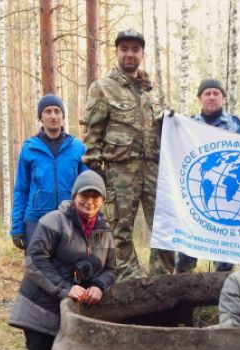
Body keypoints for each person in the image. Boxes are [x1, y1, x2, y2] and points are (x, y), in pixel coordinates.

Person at [9, 170, 116, 350]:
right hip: (40, 304)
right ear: (75, 196)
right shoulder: (54, 221)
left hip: (72, 309)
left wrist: (99, 286)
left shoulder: (104, 230)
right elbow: (35, 260)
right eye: (84, 196)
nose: (89, 202)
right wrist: (66, 288)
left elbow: (111, 268)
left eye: (95, 197)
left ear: (102, 200)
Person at [80, 29, 173, 281]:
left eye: (135, 49)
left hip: (154, 170)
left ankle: (161, 280)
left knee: (165, 227)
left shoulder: (152, 92)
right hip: (119, 172)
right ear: (117, 52)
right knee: (118, 229)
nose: (130, 54)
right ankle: (128, 280)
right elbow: (92, 132)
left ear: (142, 53)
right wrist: (94, 170)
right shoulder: (103, 88)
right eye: (125, 49)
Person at [176, 78, 240, 274]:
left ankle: (222, 295)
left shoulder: (236, 124)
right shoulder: (187, 125)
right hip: (196, 192)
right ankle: (181, 292)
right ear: (200, 98)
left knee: (223, 250)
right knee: (187, 247)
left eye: (216, 93)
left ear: (223, 98)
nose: (212, 97)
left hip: (226, 194)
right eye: (207, 93)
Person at [10, 94, 87, 251]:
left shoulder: (77, 148)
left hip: (70, 219)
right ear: (41, 117)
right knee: (38, 271)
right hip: (37, 220)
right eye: (48, 111)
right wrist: (17, 227)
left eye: (57, 111)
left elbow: (87, 189)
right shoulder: (30, 148)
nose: (53, 116)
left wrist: (89, 221)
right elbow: (21, 189)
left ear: (63, 116)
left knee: (69, 271)